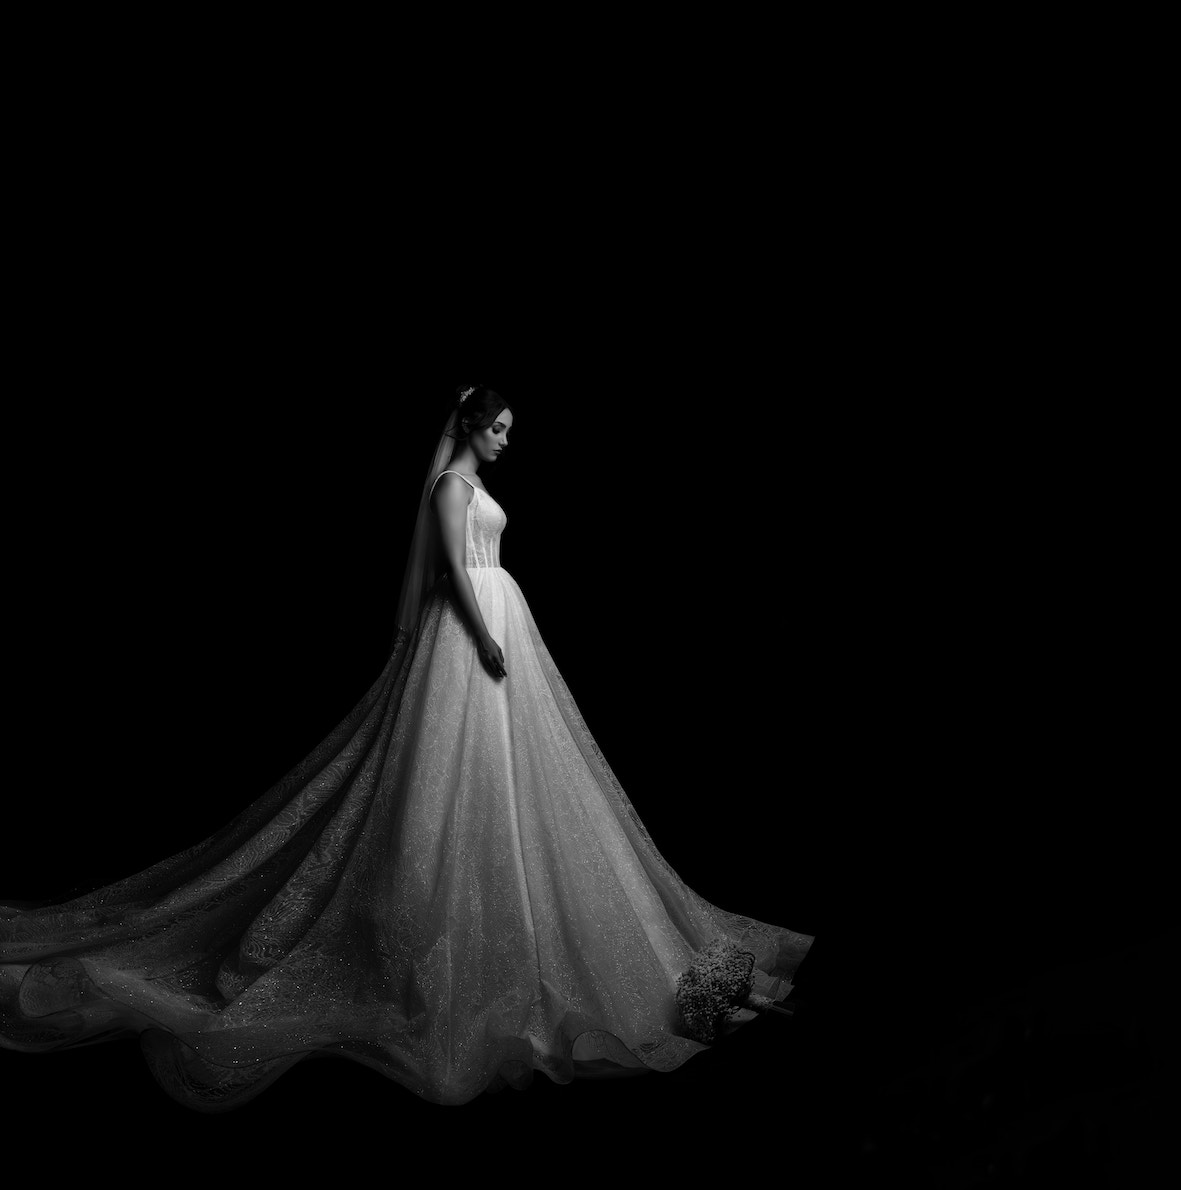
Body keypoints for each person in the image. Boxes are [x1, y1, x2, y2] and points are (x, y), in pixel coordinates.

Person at [0, 384, 813, 1109]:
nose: (504, 440)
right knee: (449, 772)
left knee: (524, 771)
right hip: (474, 628)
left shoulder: (473, 481)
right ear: (469, 426)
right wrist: (482, 639)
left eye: (507, 430)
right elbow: (454, 573)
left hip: (500, 620)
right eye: (497, 428)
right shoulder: (452, 486)